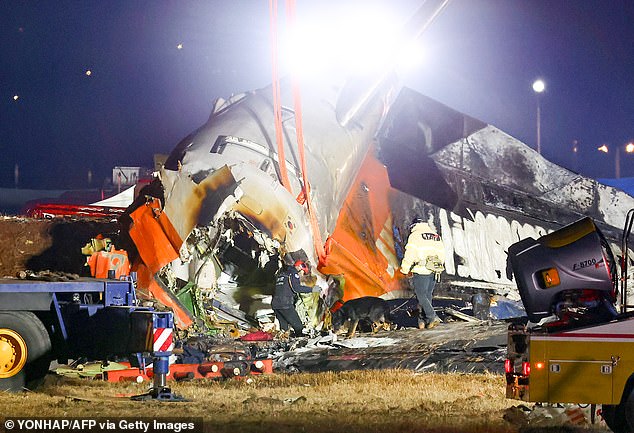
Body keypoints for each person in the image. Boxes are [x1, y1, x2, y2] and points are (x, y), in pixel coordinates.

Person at [400, 218, 446, 329]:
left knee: (421, 296)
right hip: (434, 271)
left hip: (421, 270)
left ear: (414, 225)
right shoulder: (435, 235)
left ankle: (432, 317)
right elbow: (442, 253)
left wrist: (404, 269)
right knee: (427, 296)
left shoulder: (415, 235)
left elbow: (410, 254)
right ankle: (426, 321)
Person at [272, 260, 315, 336]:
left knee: (284, 328)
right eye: (302, 272)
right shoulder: (293, 274)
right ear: (299, 267)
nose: (301, 275)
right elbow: (296, 288)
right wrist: (312, 289)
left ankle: (283, 344)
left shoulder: (281, 274)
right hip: (285, 304)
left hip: (275, 304)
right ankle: (299, 340)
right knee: (298, 326)